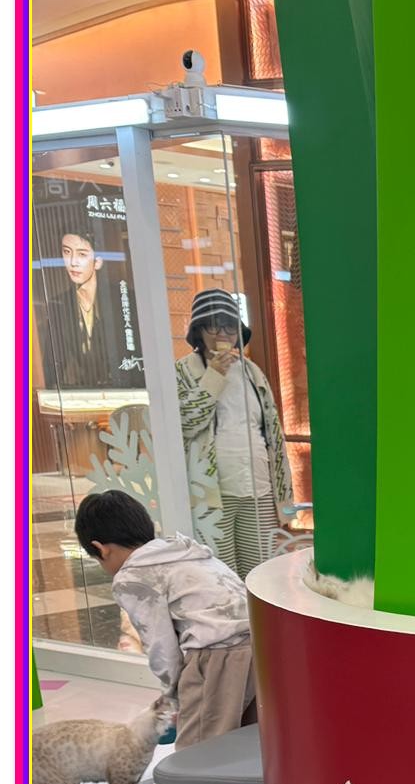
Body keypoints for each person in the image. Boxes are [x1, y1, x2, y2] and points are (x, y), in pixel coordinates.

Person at [74, 490, 257, 749]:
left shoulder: (132, 576)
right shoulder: (186, 552)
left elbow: (161, 646)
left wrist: (173, 695)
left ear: (100, 549)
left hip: (218, 656)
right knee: (248, 738)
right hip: (262, 644)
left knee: (199, 749)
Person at [175, 288, 292, 579]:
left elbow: (273, 433)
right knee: (221, 574)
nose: (223, 334)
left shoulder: (252, 372)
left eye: (229, 326)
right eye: (214, 326)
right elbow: (186, 423)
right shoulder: (184, 371)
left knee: (260, 573)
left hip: (258, 486)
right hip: (211, 492)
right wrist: (214, 375)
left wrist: (282, 492)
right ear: (199, 330)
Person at [38, 225, 128, 388]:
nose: (73, 262)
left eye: (82, 254)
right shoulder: (59, 305)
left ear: (98, 261)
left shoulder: (122, 299)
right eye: (67, 252)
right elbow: (52, 369)